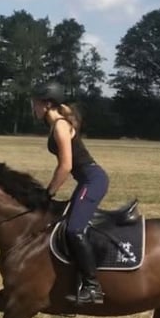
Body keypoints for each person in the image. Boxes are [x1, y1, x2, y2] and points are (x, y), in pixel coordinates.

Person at [31, 81, 108, 305]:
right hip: (86, 181)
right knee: (64, 225)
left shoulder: (61, 126)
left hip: (93, 181)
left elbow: (65, 166)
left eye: (35, 103)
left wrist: (49, 192)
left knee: (74, 230)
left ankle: (93, 287)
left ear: (46, 104)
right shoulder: (57, 125)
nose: (33, 108)